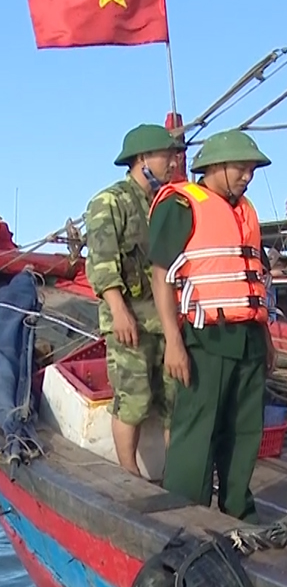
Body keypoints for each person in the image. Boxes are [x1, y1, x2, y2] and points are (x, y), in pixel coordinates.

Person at [148, 129, 277, 522]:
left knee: (244, 429)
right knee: (197, 431)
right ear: (214, 166)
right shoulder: (182, 205)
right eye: (240, 167)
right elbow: (161, 275)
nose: (247, 175)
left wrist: (267, 338)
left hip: (250, 336)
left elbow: (255, 279)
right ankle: (186, 513)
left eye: (251, 168)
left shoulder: (247, 211)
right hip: (207, 336)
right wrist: (173, 341)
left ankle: (238, 508)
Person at [84, 124, 185, 478]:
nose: (173, 162)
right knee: (134, 400)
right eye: (166, 155)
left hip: (167, 321)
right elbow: (101, 262)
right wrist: (118, 310)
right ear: (142, 158)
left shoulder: (165, 203)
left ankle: (177, 475)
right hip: (131, 320)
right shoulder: (109, 202)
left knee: (175, 401)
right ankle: (129, 473)